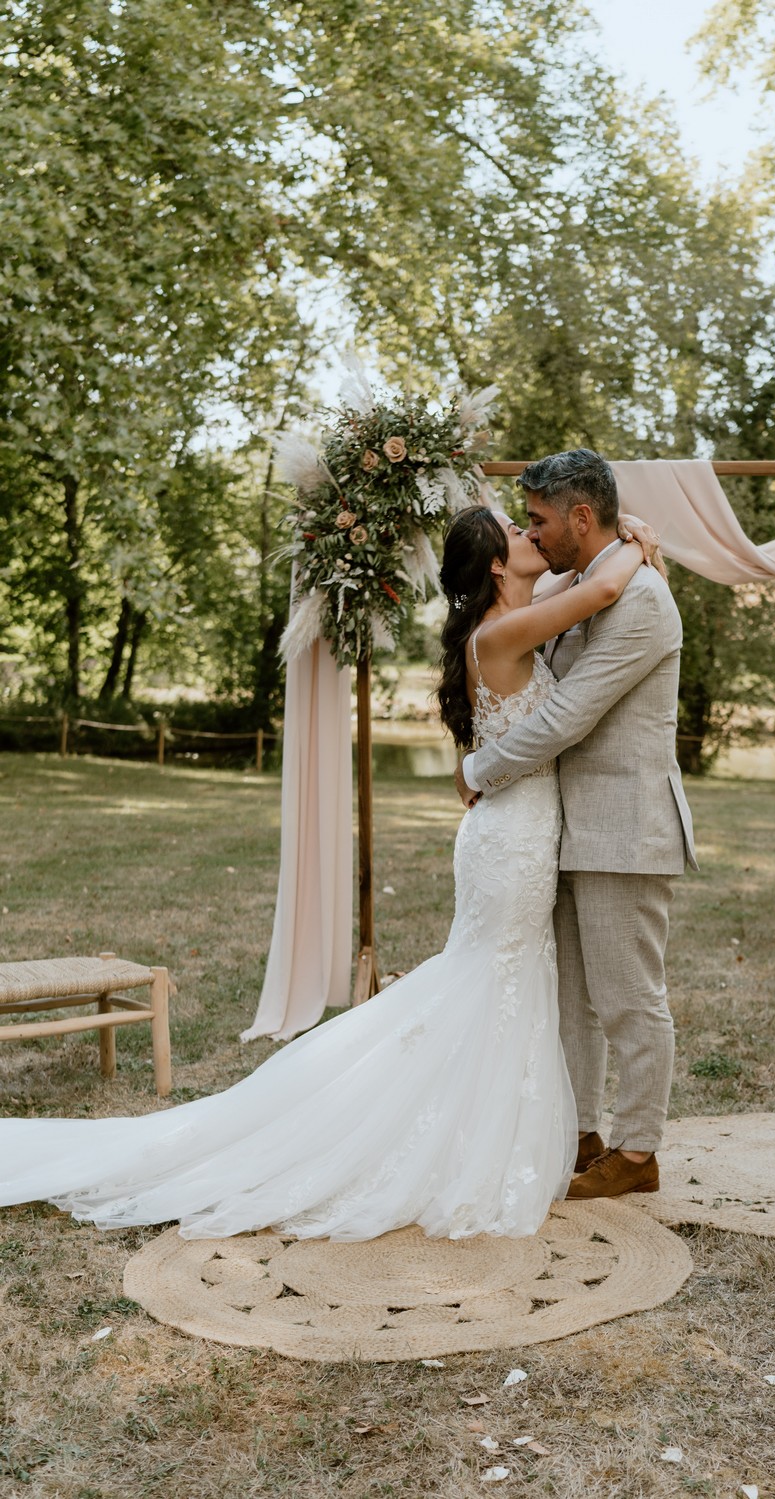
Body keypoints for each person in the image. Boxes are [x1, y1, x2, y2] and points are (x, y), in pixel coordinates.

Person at [0, 504, 657, 1243]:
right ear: (497, 567)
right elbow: (599, 593)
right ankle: (406, 1131)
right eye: (515, 533)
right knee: (487, 981)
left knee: (498, 981)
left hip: (519, 831)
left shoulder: (515, 621)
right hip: (510, 841)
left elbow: (562, 632)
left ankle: (478, 1129)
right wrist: (638, 541)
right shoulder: (502, 631)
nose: (530, 535)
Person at [456, 449, 697, 1200]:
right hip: (559, 830)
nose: (534, 533)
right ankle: (582, 1131)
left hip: (625, 826)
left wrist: (478, 769)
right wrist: (633, 539)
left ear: (581, 517)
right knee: (571, 1000)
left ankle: (637, 1150)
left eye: (539, 520)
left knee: (629, 996)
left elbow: (564, 714)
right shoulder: (572, 581)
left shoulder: (644, 602)